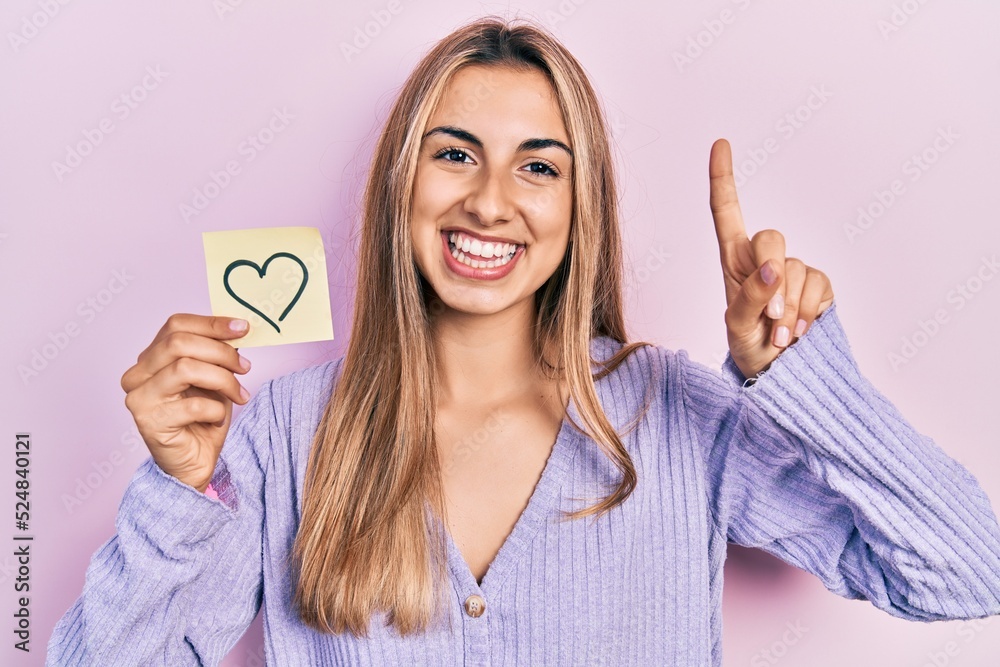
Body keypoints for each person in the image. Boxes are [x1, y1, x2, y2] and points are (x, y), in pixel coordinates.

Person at [47, 15, 1000, 667]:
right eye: (455, 152)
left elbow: (966, 570)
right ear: (401, 185)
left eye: (538, 166)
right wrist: (179, 491)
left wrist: (799, 377)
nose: (490, 200)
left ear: (580, 208)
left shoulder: (675, 417)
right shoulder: (280, 439)